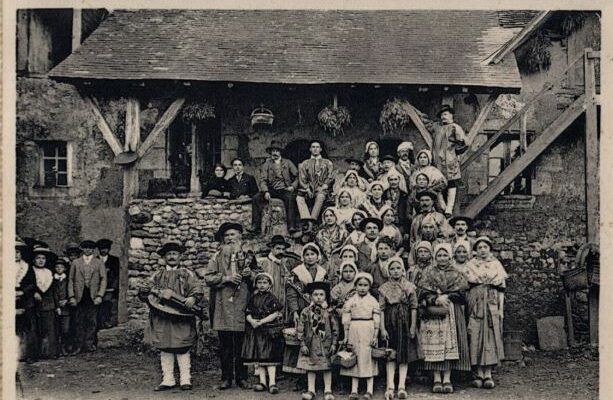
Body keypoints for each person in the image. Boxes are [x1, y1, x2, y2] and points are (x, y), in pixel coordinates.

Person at [138, 242, 204, 391]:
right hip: (162, 316)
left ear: (180, 257)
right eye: (169, 254)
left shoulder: (187, 274)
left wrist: (193, 298)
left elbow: (196, 288)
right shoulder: (157, 275)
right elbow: (147, 293)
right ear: (164, 257)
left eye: (175, 254)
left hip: (182, 316)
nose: (172, 257)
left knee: (182, 346)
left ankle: (185, 379)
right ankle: (168, 379)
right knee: (165, 346)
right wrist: (144, 293)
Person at [205, 222, 258, 390]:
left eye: (233, 235)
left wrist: (251, 274)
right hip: (223, 306)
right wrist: (226, 278)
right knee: (226, 345)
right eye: (226, 235)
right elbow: (208, 278)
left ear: (240, 237)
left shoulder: (249, 256)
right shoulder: (216, 257)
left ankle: (242, 377)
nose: (229, 238)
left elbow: (260, 276)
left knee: (241, 344)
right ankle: (226, 378)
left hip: (243, 303)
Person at [417, 243, 470, 394]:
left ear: (450, 257)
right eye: (439, 255)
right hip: (433, 314)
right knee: (435, 344)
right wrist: (435, 299)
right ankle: (436, 379)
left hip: (452, 311)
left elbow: (463, 294)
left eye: (445, 255)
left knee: (449, 345)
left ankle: (447, 378)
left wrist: (447, 296)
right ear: (435, 257)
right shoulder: (428, 273)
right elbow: (422, 292)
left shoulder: (457, 273)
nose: (442, 258)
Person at [463, 236, 508, 389]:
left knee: (490, 336)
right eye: (480, 247)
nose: (483, 250)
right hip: (475, 304)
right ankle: (477, 373)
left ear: (490, 248)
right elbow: (465, 287)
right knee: (475, 335)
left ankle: (488, 373)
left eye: (485, 247)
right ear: (475, 249)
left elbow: (501, 289)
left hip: (492, 303)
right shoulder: (470, 265)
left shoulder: (496, 265)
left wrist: (500, 309)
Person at [284, 243, 328, 389]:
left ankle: (320, 376)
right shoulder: (297, 272)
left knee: (319, 340)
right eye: (307, 255)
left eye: (313, 254)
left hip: (319, 310)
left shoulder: (322, 272)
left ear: (318, 256)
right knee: (303, 342)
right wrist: (295, 311)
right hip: (303, 310)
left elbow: (326, 291)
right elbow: (291, 294)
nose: (310, 257)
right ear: (303, 257)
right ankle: (301, 378)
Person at [379, 257, 419, 400]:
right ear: (388, 271)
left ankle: (401, 386)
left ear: (403, 270)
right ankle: (390, 386)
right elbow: (381, 309)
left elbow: (414, 307)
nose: (395, 271)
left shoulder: (409, 286)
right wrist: (382, 329)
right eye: (392, 269)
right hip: (390, 322)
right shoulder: (384, 288)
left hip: (404, 323)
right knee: (390, 355)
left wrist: (412, 326)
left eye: (398, 268)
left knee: (403, 356)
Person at [242, 272, 285, 394]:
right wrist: (251, 321)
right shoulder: (253, 298)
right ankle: (262, 382)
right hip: (255, 331)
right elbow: (247, 312)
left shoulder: (272, 298)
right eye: (259, 282)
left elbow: (275, 313)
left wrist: (262, 322)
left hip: (268, 331)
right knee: (259, 357)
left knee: (269, 357)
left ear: (270, 285)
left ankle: (272, 382)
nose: (262, 285)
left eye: (265, 283)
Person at [340, 272, 380, 400]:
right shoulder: (351, 300)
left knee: (368, 358)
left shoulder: (372, 300)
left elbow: (376, 319)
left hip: (368, 329)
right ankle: (354, 389)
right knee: (354, 358)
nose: (362, 288)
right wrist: (346, 336)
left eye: (365, 285)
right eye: (360, 285)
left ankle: (369, 390)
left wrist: (375, 336)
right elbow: (346, 319)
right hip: (354, 328)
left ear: (369, 286)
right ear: (355, 286)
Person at [297, 281, 339, 400]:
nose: (318, 297)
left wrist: (334, 343)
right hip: (311, 343)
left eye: (321, 295)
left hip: (325, 343)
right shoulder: (306, 311)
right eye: (315, 294)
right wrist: (302, 344)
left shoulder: (329, 312)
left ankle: (328, 390)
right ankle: (311, 390)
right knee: (311, 367)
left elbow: (335, 329)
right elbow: (300, 329)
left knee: (327, 366)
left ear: (325, 296)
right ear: (311, 296)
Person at [251, 140, 300, 234]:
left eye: (277, 151)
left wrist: (293, 187)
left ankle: (291, 226)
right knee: (256, 198)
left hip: (285, 189)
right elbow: (263, 180)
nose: (275, 153)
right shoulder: (266, 164)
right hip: (271, 190)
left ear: (280, 152)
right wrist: (265, 191)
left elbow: (298, 176)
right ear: (270, 153)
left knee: (291, 198)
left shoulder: (288, 162)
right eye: (273, 151)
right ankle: (255, 226)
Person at [68, 240, 107, 354]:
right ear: (82, 249)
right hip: (79, 296)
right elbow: (70, 280)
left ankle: (89, 344)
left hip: (93, 296)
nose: (88, 250)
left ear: (93, 249)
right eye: (85, 248)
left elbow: (103, 279)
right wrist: (71, 296)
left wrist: (100, 295)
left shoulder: (98, 262)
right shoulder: (76, 262)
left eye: (90, 248)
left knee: (92, 321)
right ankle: (78, 345)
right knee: (78, 321)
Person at [431, 105, 468, 216]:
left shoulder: (455, 127)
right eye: (442, 115)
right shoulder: (438, 128)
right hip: (438, 160)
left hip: (450, 159)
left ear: (451, 115)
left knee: (451, 182)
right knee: (437, 182)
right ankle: (442, 205)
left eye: (445, 114)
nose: (443, 117)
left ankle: (449, 208)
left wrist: (455, 153)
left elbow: (465, 143)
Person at [30, 245, 60, 360]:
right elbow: (29, 285)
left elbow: (53, 291)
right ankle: (35, 354)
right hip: (35, 304)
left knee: (50, 329)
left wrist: (56, 305)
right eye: (38, 258)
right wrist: (34, 292)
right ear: (34, 260)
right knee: (35, 329)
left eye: (43, 258)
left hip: (48, 304)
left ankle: (51, 352)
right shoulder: (30, 271)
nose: (41, 260)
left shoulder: (49, 273)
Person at [296, 141, 336, 222]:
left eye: (317, 147)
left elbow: (331, 175)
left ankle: (312, 219)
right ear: (310, 149)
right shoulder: (305, 163)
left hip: (322, 189)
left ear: (320, 149)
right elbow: (302, 178)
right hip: (309, 189)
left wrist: (326, 184)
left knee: (320, 196)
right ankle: (306, 218)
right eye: (313, 147)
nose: (315, 149)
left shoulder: (327, 162)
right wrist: (307, 188)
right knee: (299, 197)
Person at [257, 235, 292, 320]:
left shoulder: (285, 265)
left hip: (282, 302)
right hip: (265, 303)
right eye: (278, 248)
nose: (281, 251)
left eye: (283, 249)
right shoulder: (262, 263)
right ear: (271, 248)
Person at [16, 238, 37, 362]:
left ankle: (30, 354)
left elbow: (32, 284)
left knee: (28, 328)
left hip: (26, 299)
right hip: (9, 299)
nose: (15, 255)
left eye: (18, 252)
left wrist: (22, 291)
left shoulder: (27, 267)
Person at [96, 239, 120, 329]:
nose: (103, 250)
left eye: (105, 248)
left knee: (107, 304)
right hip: (97, 288)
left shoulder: (114, 260)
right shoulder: (95, 260)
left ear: (109, 249)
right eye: (101, 248)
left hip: (110, 288)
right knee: (97, 306)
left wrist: (113, 287)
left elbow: (117, 275)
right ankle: (98, 324)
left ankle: (107, 322)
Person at [53, 257, 72, 355]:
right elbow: (52, 294)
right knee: (56, 330)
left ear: (65, 268)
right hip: (56, 308)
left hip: (66, 308)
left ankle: (65, 347)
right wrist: (57, 306)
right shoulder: (52, 280)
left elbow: (71, 291)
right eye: (57, 267)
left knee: (66, 329)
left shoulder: (68, 280)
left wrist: (67, 300)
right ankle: (58, 349)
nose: (59, 268)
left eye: (61, 267)